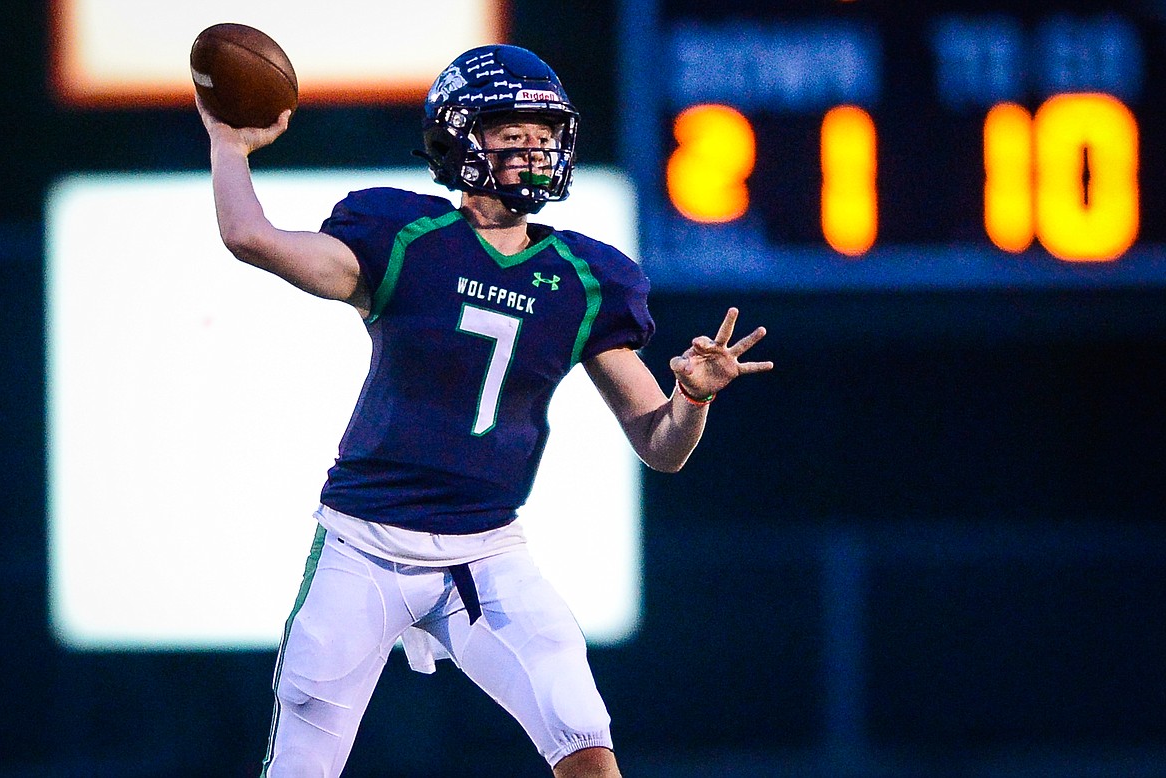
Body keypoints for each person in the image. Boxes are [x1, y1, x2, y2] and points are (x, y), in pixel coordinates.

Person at [197, 43, 772, 778]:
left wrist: (691, 395)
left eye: (545, 134)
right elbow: (252, 237)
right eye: (514, 133)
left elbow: (660, 444)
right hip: (362, 546)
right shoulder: (404, 238)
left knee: (585, 740)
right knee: (300, 768)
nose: (536, 148)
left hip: (486, 553)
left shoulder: (586, 278)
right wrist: (227, 144)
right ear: (460, 137)